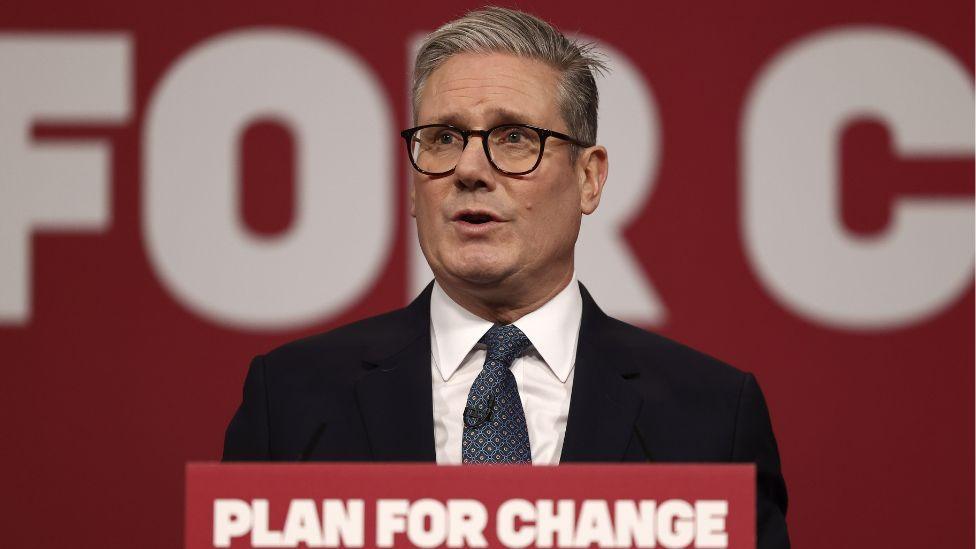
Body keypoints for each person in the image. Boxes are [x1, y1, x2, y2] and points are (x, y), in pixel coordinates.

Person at [223, 6, 789, 547]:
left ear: (589, 179)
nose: (469, 169)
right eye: (443, 138)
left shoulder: (712, 415)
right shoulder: (292, 401)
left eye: (514, 136)